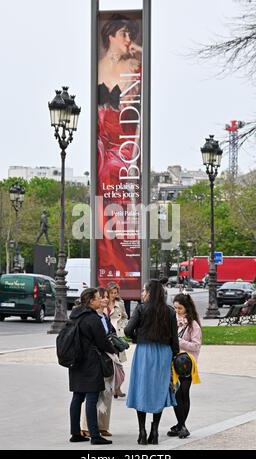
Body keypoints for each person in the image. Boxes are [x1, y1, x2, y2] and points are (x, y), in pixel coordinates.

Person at [97, 14, 142, 286]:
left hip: (125, 144)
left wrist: (137, 50)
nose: (129, 39)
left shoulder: (135, 65)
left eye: (132, 34)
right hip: (107, 145)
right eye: (125, 34)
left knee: (120, 202)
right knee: (107, 201)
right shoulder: (100, 66)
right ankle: (114, 265)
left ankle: (121, 265)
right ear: (111, 35)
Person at [125, 280, 179, 445]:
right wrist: (174, 354)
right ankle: (154, 430)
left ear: (149, 293)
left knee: (141, 387)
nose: (142, 293)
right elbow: (174, 338)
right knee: (159, 389)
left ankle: (142, 431)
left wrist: (137, 337)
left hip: (144, 351)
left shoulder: (141, 309)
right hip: (163, 353)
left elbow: (128, 330)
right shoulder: (169, 311)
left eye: (143, 291)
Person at [68, 288, 115, 445]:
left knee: (77, 397)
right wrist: (113, 349)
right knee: (92, 397)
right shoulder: (92, 318)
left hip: (76, 361)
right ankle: (95, 436)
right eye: (96, 298)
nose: (99, 300)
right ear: (90, 301)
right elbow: (102, 341)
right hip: (90, 362)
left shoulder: (74, 315)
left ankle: (75, 433)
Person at [81, 287, 116, 438]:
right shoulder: (91, 316)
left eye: (107, 297)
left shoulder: (105, 315)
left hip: (107, 357)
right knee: (92, 394)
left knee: (107, 392)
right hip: (97, 358)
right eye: (102, 297)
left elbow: (111, 332)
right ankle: (87, 426)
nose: (106, 299)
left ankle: (102, 426)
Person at [167, 293, 202, 439]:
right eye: (175, 308)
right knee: (176, 394)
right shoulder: (172, 321)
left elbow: (196, 346)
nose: (177, 311)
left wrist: (179, 341)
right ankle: (180, 425)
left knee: (183, 394)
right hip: (173, 363)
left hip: (187, 364)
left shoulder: (193, 324)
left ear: (187, 308)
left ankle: (182, 425)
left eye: (180, 308)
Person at [106, 282, 128, 398]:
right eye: (112, 293)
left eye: (115, 293)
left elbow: (125, 316)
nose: (114, 295)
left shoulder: (120, 303)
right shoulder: (103, 303)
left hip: (117, 335)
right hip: (106, 335)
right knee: (108, 361)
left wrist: (122, 326)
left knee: (118, 362)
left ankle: (118, 388)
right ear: (108, 293)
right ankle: (110, 387)